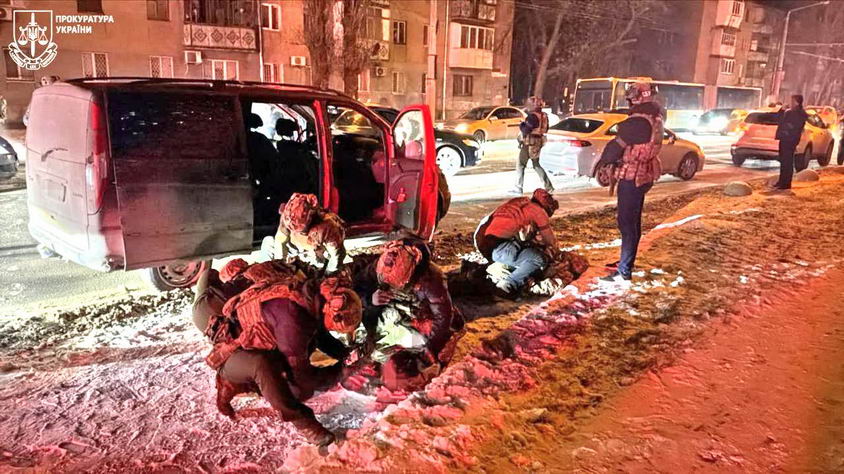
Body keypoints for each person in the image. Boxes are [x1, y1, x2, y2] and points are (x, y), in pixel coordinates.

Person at [193, 259, 361, 446]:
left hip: (236, 313)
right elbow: (304, 377)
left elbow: (318, 331)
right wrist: (340, 372)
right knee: (278, 377)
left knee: (290, 357)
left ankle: (244, 380)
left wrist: (345, 354)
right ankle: (304, 424)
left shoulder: (310, 296)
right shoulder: (292, 320)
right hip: (211, 319)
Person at [350, 239, 464, 391]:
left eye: (396, 283)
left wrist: (429, 349)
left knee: (430, 350)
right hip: (392, 312)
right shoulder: (381, 265)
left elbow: (442, 317)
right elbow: (357, 290)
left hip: (418, 318)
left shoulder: (430, 279)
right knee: (361, 333)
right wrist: (370, 299)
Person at [594, 81, 664, 283]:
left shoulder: (637, 122)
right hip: (644, 174)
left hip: (632, 176)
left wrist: (603, 163)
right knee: (633, 221)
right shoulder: (655, 117)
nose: (629, 100)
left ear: (638, 97)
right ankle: (626, 261)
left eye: (632, 96)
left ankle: (624, 269)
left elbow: (615, 148)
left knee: (626, 223)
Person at [473, 188, 560, 296]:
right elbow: (550, 240)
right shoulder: (538, 211)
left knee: (524, 252)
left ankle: (503, 266)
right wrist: (556, 253)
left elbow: (521, 236)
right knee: (538, 259)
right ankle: (507, 284)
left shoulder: (521, 203)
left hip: (484, 242)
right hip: (498, 247)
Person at [272, 193, 346, 275]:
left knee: (318, 269)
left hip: (315, 255)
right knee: (268, 241)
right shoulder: (288, 216)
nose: (297, 232)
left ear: (311, 218)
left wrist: (329, 273)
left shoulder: (328, 227)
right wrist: (281, 267)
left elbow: (337, 257)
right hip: (294, 249)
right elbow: (280, 241)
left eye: (301, 230)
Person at [511, 96, 554, 195]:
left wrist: (522, 125)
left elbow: (526, 129)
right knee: (536, 164)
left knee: (520, 164)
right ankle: (548, 187)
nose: (528, 105)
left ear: (534, 105)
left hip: (529, 142)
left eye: (530, 104)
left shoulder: (532, 117)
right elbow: (546, 129)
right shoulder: (544, 116)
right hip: (538, 142)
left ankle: (518, 188)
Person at [770, 94, 808, 191]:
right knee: (784, 161)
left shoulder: (797, 113)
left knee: (787, 162)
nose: (790, 102)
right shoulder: (794, 112)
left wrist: (783, 112)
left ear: (796, 102)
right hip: (788, 139)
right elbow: (780, 120)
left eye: (792, 100)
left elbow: (785, 122)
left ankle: (785, 183)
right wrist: (783, 110)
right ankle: (782, 181)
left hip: (789, 139)